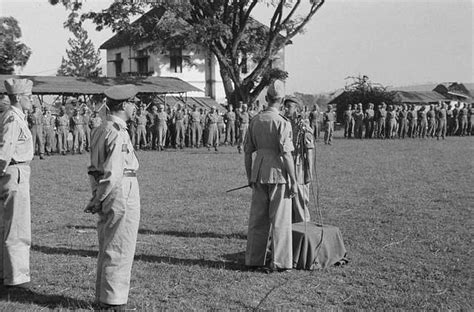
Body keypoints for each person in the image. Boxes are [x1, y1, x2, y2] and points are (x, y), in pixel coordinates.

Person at [85, 84, 140, 310]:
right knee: (120, 244)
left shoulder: (102, 128)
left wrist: (96, 195)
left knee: (108, 243)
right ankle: (113, 300)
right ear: (125, 104)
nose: (136, 107)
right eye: (134, 103)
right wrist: (99, 198)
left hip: (108, 190)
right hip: (121, 189)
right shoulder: (116, 131)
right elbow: (113, 171)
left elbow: (94, 169)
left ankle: (104, 296)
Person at [244, 80, 297, 272]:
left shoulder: (255, 120)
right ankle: (281, 262)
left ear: (266, 99)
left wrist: (250, 176)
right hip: (278, 174)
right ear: (282, 100)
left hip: (259, 173)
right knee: (280, 220)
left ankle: (253, 259)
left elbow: (248, 152)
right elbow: (287, 155)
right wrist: (294, 180)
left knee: (257, 219)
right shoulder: (282, 122)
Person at [0, 78, 34, 288]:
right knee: (17, 228)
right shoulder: (13, 118)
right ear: (19, 98)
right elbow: (5, 150)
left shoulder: (13, 116)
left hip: (12, 172)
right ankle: (16, 279)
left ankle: (6, 273)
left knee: (6, 225)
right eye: (29, 97)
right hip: (15, 172)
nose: (32, 101)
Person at [284, 97, 314, 223]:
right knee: (288, 203)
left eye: (289, 106)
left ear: (297, 109)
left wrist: (309, 172)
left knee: (300, 201)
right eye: (285, 106)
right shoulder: (286, 124)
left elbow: (309, 151)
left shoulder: (304, 127)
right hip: (287, 165)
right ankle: (292, 234)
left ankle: (304, 233)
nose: (286, 109)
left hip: (299, 166)